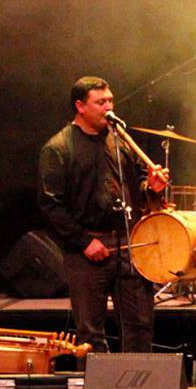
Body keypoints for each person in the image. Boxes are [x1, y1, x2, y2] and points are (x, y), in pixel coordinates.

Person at [38, 76, 168, 353]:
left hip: (129, 244)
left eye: (110, 100)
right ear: (80, 106)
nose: (109, 107)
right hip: (87, 250)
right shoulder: (59, 148)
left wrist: (152, 188)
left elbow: (138, 187)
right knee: (90, 333)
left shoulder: (120, 140)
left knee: (139, 324)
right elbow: (51, 206)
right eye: (100, 102)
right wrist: (84, 241)